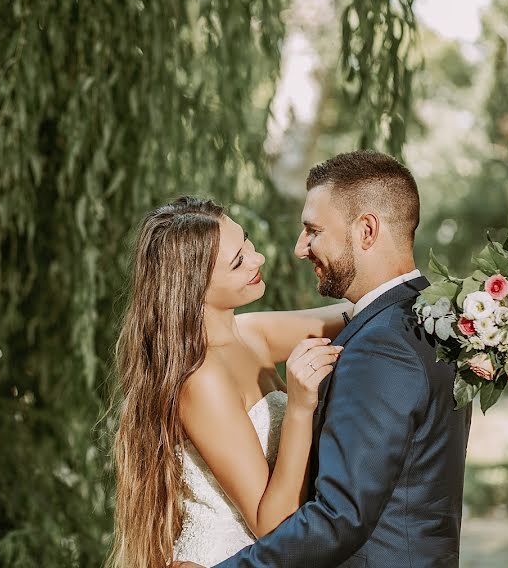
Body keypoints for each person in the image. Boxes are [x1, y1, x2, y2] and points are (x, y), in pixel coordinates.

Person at [175, 150, 472, 568]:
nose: (296, 250)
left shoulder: (388, 341)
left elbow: (339, 517)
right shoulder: (427, 324)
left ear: (367, 230)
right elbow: (371, 310)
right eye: (240, 259)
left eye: (313, 231)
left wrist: (501, 312)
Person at [108, 196, 351, 568]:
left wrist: (462, 305)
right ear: (193, 287)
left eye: (247, 243)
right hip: (227, 558)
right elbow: (271, 526)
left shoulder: (251, 333)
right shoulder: (202, 379)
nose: (258, 260)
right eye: (238, 262)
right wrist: (301, 408)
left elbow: (359, 312)